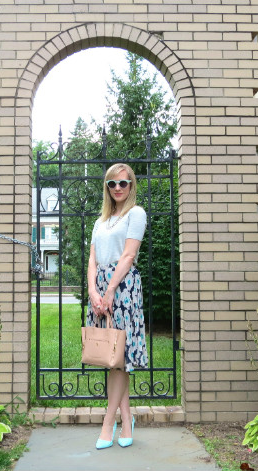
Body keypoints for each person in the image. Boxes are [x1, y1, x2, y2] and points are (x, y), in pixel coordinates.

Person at [86, 163, 148, 449]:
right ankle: (127, 417)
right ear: (107, 188)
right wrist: (93, 291)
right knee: (112, 355)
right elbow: (93, 259)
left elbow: (129, 254)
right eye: (112, 184)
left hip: (122, 287)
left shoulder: (135, 214)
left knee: (120, 358)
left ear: (131, 185)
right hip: (101, 289)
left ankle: (108, 424)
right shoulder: (101, 221)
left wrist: (110, 290)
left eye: (123, 183)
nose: (118, 188)